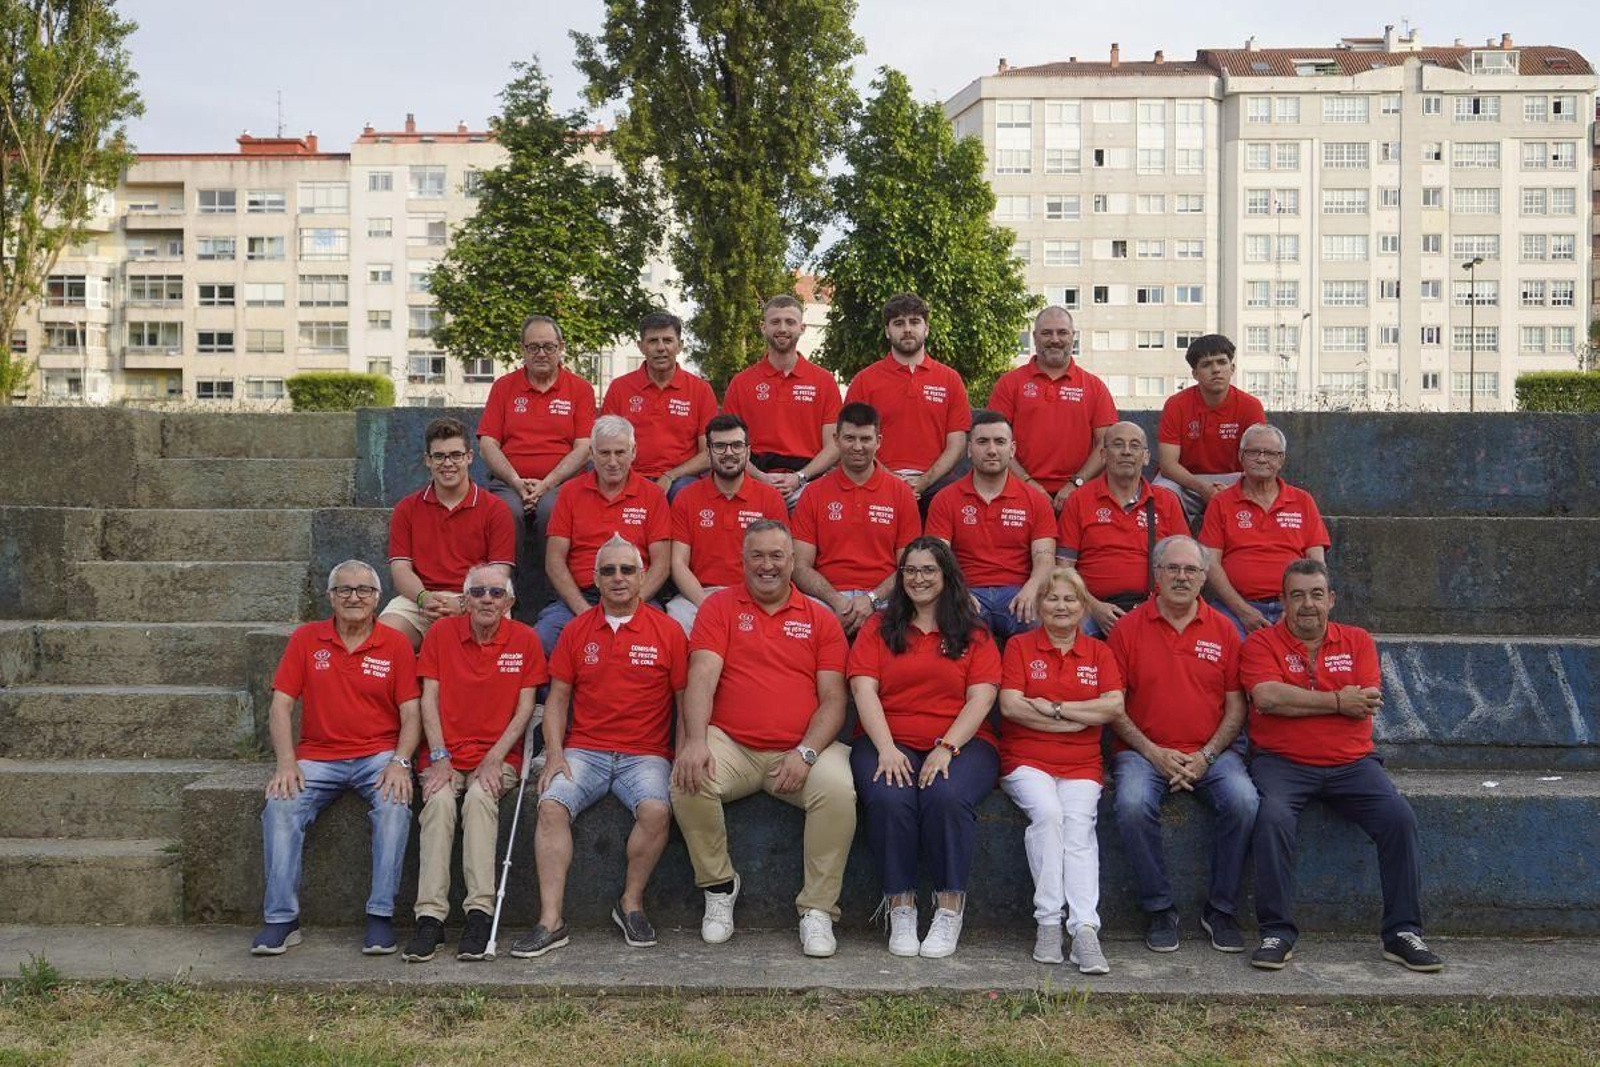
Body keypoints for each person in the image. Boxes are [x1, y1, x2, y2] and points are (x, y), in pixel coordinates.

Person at [1243, 559, 1443, 973]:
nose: (1307, 604)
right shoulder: (1261, 644)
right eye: (1296, 595)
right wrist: (1336, 701)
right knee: (1272, 818)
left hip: (1353, 764)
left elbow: (1364, 703)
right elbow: (1267, 698)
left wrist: (1298, 702)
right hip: (1282, 763)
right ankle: (1277, 931)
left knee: (1398, 817)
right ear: (1281, 602)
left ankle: (1403, 932)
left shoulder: (1357, 640)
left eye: (1316, 594)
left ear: (1331, 599)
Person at [670, 520, 856, 957]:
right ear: (742, 559)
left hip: (800, 750)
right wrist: (694, 741)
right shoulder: (718, 609)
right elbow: (701, 677)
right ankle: (718, 886)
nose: (767, 565)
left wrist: (806, 752)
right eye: (757, 555)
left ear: (793, 561)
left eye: (777, 556)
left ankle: (817, 909)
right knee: (686, 778)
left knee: (839, 791)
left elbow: (833, 700)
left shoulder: (820, 618)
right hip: (732, 745)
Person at [510, 537, 688, 958]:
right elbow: (556, 699)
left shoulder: (668, 631)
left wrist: (681, 755)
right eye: (608, 571)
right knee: (551, 804)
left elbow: (685, 703)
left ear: (643, 576)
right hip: (584, 751)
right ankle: (551, 920)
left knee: (657, 810)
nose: (618, 578)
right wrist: (554, 753)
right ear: (594, 579)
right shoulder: (576, 630)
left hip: (645, 754)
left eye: (627, 569)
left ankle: (630, 903)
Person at [254, 561, 420, 956]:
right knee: (280, 806)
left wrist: (400, 762)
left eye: (364, 590)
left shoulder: (395, 644)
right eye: (344, 590)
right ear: (330, 597)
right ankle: (281, 920)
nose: (354, 597)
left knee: (395, 806)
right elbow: (280, 706)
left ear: (378, 599)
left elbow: (411, 713)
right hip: (317, 756)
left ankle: (380, 917)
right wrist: (285, 762)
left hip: (378, 755)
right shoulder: (307, 639)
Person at [848, 537, 1002, 959]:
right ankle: (900, 906)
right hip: (886, 740)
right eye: (911, 571)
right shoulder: (878, 628)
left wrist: (947, 747)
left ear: (946, 574)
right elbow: (863, 689)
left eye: (928, 570)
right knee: (888, 796)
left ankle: (949, 909)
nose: (919, 578)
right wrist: (885, 748)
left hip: (962, 742)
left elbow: (982, 698)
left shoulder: (974, 631)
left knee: (946, 796)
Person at [1106, 535, 1258, 955]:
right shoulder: (1127, 628)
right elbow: (1113, 707)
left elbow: (1236, 708)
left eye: (1191, 570)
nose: (1181, 577)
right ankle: (1160, 908)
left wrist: (1207, 755)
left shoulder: (1225, 630)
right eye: (1172, 568)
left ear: (1205, 577)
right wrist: (1154, 752)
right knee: (1133, 803)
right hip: (1141, 751)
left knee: (1244, 801)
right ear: (1156, 574)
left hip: (1212, 752)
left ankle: (1220, 909)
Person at [403, 564, 547, 963]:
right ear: (464, 601)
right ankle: (429, 919)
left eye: (496, 593)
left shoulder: (526, 639)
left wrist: (495, 757)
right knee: (439, 803)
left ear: (510, 602)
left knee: (481, 800)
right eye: (478, 592)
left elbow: (524, 709)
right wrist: (439, 757)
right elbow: (428, 699)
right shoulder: (441, 635)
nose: (487, 599)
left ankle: (479, 914)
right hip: (444, 755)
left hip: (498, 756)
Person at [997, 568, 1124, 973]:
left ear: (1085, 607)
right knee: (1048, 814)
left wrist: (1052, 707)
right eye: (1053, 599)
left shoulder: (1100, 653)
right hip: (1025, 760)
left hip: (1082, 764)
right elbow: (1011, 705)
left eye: (1071, 599)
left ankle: (1085, 929)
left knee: (1079, 825)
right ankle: (1048, 922)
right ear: (1038, 607)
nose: (1062, 606)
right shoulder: (1019, 647)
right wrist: (1074, 719)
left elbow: (1113, 707)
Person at [476, 314, 597, 616]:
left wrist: (547, 484)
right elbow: (488, 443)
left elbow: (584, 448)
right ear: (522, 350)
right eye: (533, 347)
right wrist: (517, 482)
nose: (541, 353)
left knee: (550, 511)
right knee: (505, 512)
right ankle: (503, 602)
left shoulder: (580, 389)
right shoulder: (504, 387)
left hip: (563, 484)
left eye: (548, 346)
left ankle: (554, 602)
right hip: (509, 482)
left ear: (561, 347)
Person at [538, 414, 671, 655]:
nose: (612, 461)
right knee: (541, 641)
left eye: (620, 453)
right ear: (591, 453)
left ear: (633, 452)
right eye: (604, 453)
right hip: (579, 599)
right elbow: (554, 561)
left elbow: (661, 564)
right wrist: (584, 611)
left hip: (637, 597)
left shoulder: (653, 496)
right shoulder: (569, 493)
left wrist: (631, 607)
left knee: (665, 643)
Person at [380, 417, 517, 650]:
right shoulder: (407, 508)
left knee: (493, 643)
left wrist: (464, 603)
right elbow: (400, 569)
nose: (448, 463)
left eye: (456, 455)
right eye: (439, 456)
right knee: (383, 641)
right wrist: (424, 599)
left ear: (469, 457)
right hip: (421, 599)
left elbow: (499, 573)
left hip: (479, 597)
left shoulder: (496, 509)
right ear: (427, 460)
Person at [925, 410, 1057, 642]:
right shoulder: (945, 499)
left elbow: (1045, 558)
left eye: (1000, 442)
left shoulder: (1035, 501)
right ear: (969, 449)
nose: (992, 450)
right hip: (968, 591)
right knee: (955, 629)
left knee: (1045, 625)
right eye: (983, 442)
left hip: (1018, 593)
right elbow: (938, 558)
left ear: (1012, 449)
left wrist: (1032, 588)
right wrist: (957, 593)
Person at [792, 403, 922, 638]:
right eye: (850, 438)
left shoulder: (901, 493)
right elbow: (800, 566)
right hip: (826, 600)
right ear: (836, 439)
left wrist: (871, 600)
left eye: (865, 439)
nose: (858, 447)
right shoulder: (813, 493)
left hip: (884, 601)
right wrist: (837, 600)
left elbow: (909, 566)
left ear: (878, 441)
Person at [1057, 422, 1188, 637]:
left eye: (1134, 445)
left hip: (1153, 608)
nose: (1126, 451)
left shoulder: (1166, 501)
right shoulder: (1079, 500)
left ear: (1146, 457)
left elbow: (1185, 564)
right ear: (1103, 455)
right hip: (1090, 608)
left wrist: (1158, 607)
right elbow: (1064, 568)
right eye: (1118, 445)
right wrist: (1094, 607)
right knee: (1065, 637)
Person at [1199, 424, 1330, 638]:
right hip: (1233, 608)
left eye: (1270, 453)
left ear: (1281, 460)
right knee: (1219, 651)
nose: (1261, 459)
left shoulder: (1302, 501)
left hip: (1294, 605)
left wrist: (1294, 607)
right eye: (1253, 452)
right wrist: (1243, 611)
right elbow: (1210, 563)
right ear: (1241, 456)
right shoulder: (1221, 502)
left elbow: (1317, 566)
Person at [843, 293, 971, 510]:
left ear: (927, 329)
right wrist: (892, 480)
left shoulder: (950, 379)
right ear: (887, 331)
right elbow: (852, 442)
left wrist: (923, 482)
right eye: (899, 323)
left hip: (936, 487)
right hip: (876, 483)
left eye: (915, 322)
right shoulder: (865, 380)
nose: (907, 329)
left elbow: (957, 444)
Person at [666, 413, 788, 635]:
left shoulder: (770, 498)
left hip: (756, 594)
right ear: (709, 452)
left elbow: (779, 563)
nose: (729, 453)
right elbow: (678, 563)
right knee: (675, 624)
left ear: (748, 451)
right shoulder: (686, 498)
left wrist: (755, 600)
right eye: (720, 446)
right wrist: (707, 605)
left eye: (736, 445)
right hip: (700, 595)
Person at [989, 306, 1117, 510]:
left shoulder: (1094, 387)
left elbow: (1107, 443)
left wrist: (1076, 484)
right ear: (1034, 337)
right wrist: (1027, 483)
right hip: (1017, 491)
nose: (1055, 339)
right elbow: (994, 442)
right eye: (1046, 333)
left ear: (1073, 336)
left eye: (1062, 332)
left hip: (1079, 495)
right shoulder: (1009, 384)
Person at [721, 295, 843, 505]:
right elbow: (729, 445)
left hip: (808, 482)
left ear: (802, 328)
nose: (783, 328)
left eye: (790, 322)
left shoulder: (824, 381)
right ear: (763, 327)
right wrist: (761, 478)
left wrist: (800, 477)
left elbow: (833, 446)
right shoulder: (741, 383)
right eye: (775, 322)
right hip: (753, 480)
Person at [599, 310, 717, 500]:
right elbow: (605, 445)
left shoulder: (700, 390)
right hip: (628, 476)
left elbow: (709, 454)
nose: (661, 348)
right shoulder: (620, 388)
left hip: (681, 479)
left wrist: (670, 475)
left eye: (668, 341)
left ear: (680, 346)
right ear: (641, 346)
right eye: (653, 341)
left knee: (686, 494)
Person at [1155, 334, 1267, 526]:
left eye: (1222, 362)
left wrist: (1230, 490)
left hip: (1234, 480)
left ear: (1232, 368)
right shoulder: (1176, 405)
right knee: (1160, 493)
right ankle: (1176, 550)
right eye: (1206, 364)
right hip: (1186, 480)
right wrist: (1203, 488)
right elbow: (1168, 464)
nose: (1216, 370)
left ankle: (1248, 548)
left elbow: (1259, 460)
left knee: (1260, 485)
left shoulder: (1251, 406)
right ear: (1195, 374)